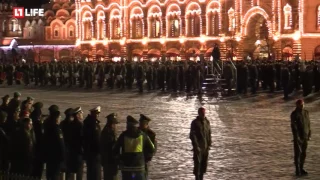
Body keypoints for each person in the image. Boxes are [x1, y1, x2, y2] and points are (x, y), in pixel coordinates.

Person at [113, 115, 155, 180]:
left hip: (127, 168)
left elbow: (115, 149)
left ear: (128, 125)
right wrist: (145, 159)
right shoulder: (143, 135)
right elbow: (152, 149)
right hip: (140, 167)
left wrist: (120, 159)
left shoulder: (123, 135)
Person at [189, 107, 212, 180]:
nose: (203, 114)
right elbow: (192, 135)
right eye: (202, 113)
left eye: (204, 113)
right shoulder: (195, 122)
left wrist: (209, 144)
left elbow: (209, 133)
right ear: (199, 113)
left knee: (203, 166)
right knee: (197, 167)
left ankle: (201, 178)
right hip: (198, 148)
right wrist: (196, 146)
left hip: (205, 148)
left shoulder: (207, 122)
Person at [291, 99, 311, 176]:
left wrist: (309, 134)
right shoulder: (294, 114)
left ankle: (301, 168)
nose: (302, 106)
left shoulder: (306, 112)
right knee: (298, 154)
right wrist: (296, 137)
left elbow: (308, 124)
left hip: (305, 136)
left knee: (304, 153)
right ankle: (297, 170)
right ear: (297, 105)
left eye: (303, 104)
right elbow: (294, 127)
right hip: (298, 137)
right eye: (301, 105)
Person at [44, 110, 66, 180]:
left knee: (49, 175)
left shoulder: (48, 127)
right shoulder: (56, 129)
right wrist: (63, 157)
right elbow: (61, 144)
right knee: (55, 176)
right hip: (56, 158)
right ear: (57, 118)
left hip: (49, 156)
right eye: (59, 117)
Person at [83, 106, 102, 180]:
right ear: (95, 114)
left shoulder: (87, 122)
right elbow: (97, 139)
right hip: (94, 153)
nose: (98, 115)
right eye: (97, 114)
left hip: (89, 153)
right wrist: (100, 152)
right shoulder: (93, 124)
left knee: (90, 173)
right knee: (96, 174)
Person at [101, 113, 119, 180]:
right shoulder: (108, 133)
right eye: (114, 124)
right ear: (111, 124)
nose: (115, 126)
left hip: (108, 161)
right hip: (110, 162)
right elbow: (111, 148)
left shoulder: (107, 131)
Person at [139, 114, 157, 179]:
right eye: (140, 123)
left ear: (146, 124)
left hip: (145, 157)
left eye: (142, 123)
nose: (140, 125)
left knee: (144, 173)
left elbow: (153, 148)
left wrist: (149, 157)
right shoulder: (137, 131)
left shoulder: (151, 134)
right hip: (137, 157)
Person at [69, 107, 84, 180]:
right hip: (78, 152)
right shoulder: (80, 125)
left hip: (71, 152)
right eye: (81, 113)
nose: (82, 114)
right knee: (79, 174)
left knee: (72, 173)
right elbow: (82, 139)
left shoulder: (70, 124)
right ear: (77, 114)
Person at [60, 108, 74, 180]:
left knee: (63, 170)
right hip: (69, 149)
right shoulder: (72, 124)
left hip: (63, 147)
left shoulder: (62, 123)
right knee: (69, 170)